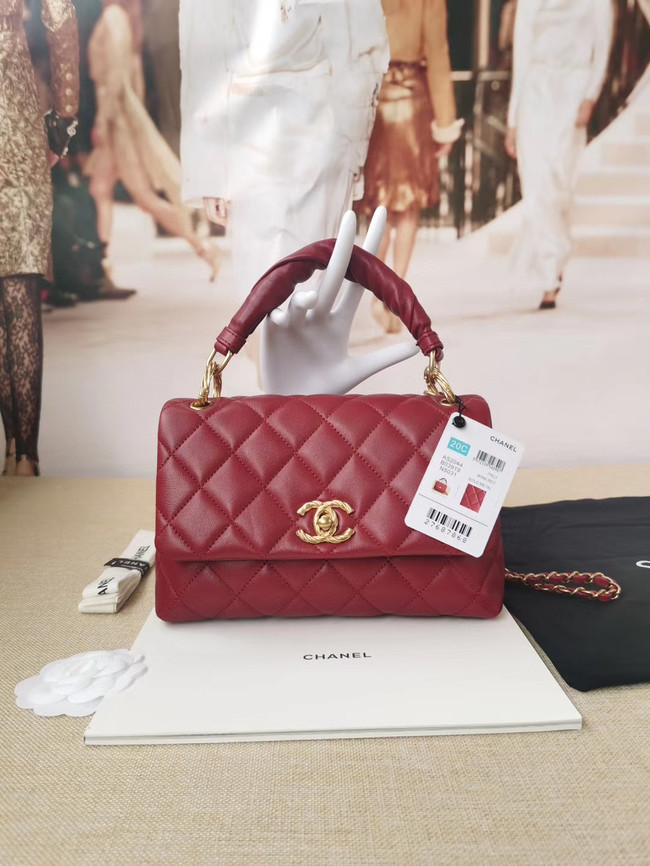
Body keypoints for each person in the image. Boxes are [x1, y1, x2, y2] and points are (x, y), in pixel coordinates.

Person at [179, 0, 388, 301]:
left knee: (311, 273)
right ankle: (274, 331)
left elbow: (360, 46)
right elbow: (203, 57)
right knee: (264, 274)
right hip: (254, 130)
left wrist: (354, 144)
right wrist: (210, 173)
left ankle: (292, 330)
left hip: (319, 130)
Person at [85, 0, 220, 281]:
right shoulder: (122, 18)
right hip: (118, 121)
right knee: (104, 189)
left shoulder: (113, 17)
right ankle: (102, 264)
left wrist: (103, 120)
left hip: (116, 124)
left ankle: (201, 247)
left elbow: (116, 79)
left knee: (139, 196)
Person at [1, 0, 79, 476]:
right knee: (19, 292)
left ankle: (15, 445)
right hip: (13, 124)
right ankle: (25, 455)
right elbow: (60, 16)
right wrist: (63, 118)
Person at [357, 0, 462, 333]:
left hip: (375, 98)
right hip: (414, 102)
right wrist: (445, 123)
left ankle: (378, 291)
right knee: (409, 207)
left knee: (379, 207)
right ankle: (394, 297)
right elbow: (438, 54)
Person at [505, 0, 614, 310]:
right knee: (535, 182)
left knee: (559, 184)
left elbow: (602, 46)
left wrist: (590, 95)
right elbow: (522, 56)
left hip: (573, 90)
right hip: (535, 91)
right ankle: (549, 273)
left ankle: (557, 252)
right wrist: (513, 120)